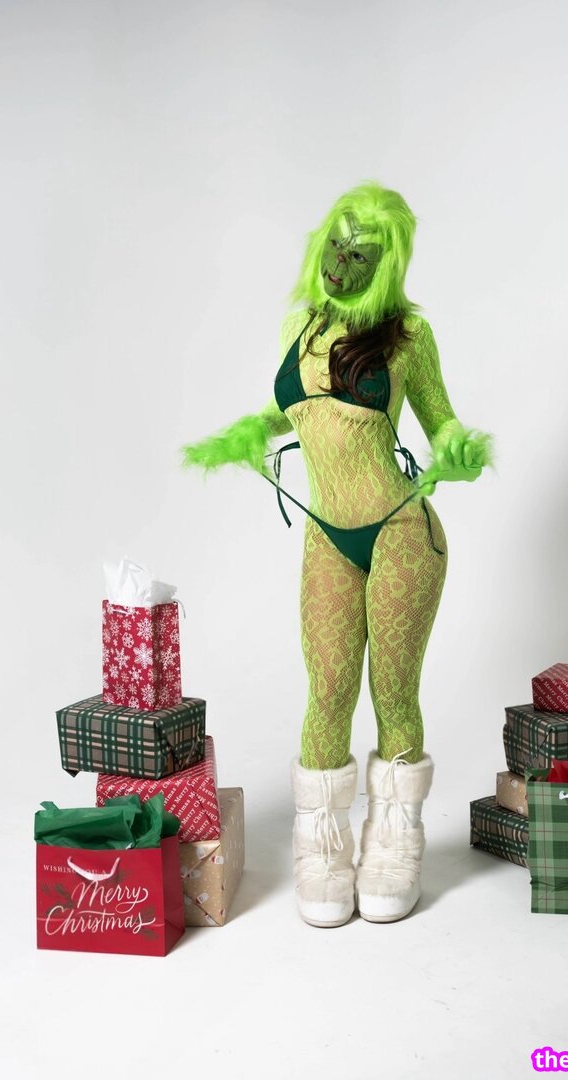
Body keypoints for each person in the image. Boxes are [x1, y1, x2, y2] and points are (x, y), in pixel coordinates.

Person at [183, 181, 492, 927]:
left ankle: (395, 841)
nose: (341, 264)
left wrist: (458, 449)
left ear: (387, 266)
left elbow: (442, 421)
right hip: (327, 534)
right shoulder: (300, 325)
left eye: (361, 255)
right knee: (326, 691)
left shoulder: (409, 337)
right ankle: (321, 848)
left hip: (399, 531)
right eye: (336, 246)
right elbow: (282, 410)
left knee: (394, 692)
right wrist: (243, 435)